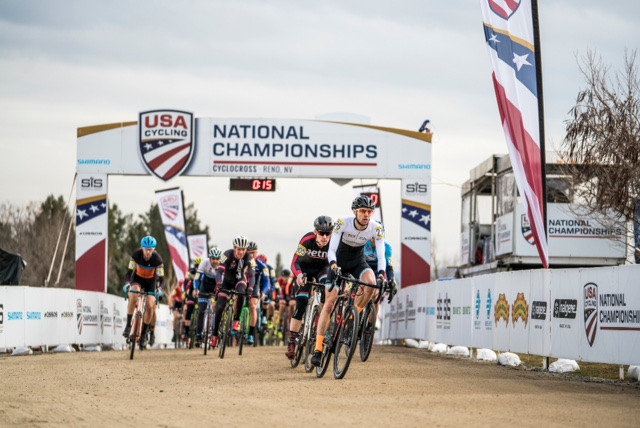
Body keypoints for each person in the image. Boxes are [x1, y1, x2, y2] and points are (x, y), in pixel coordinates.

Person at [311, 196, 386, 367]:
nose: (366, 215)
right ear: (355, 212)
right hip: (338, 262)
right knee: (330, 304)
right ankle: (318, 349)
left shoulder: (377, 228)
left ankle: (353, 316)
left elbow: (381, 256)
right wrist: (334, 265)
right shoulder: (342, 223)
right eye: (362, 211)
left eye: (369, 211)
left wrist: (381, 274)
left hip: (358, 261)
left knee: (371, 283)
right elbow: (331, 250)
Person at [285, 215, 333, 360]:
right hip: (304, 271)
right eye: (321, 233)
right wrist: (299, 275)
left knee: (327, 293)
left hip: (322, 271)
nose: (324, 237)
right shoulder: (306, 240)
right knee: (301, 303)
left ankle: (321, 330)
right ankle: (292, 341)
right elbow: (294, 262)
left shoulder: (333, 244)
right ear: (315, 232)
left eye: (328, 234)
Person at [208, 236, 255, 348]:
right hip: (227, 282)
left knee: (242, 293)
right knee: (219, 307)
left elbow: (252, 275)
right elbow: (219, 272)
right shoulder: (226, 255)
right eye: (239, 249)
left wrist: (251, 288)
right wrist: (219, 284)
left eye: (243, 250)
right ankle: (215, 335)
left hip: (240, 280)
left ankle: (237, 320)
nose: (241, 252)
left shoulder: (249, 258)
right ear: (234, 248)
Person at [122, 235, 165, 348]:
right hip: (138, 279)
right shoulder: (136, 255)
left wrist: (160, 289)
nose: (147, 252)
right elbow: (129, 272)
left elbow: (162, 279)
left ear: (154, 249)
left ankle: (144, 333)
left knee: (150, 306)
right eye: (146, 249)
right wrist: (127, 284)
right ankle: (127, 325)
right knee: (133, 294)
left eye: (150, 249)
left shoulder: (158, 259)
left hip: (151, 282)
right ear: (142, 248)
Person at [193, 247, 223, 347]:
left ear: (220, 259)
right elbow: (197, 278)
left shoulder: (223, 265)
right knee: (202, 309)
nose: (215, 261)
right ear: (210, 258)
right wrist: (196, 289)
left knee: (217, 309)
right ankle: (198, 336)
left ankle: (216, 333)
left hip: (216, 286)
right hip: (204, 286)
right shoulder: (204, 263)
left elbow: (224, 280)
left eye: (217, 259)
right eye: (213, 259)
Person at [246, 242, 270, 345]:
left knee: (253, 307)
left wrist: (264, 292)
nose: (251, 255)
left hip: (255, 285)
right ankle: (235, 320)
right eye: (249, 253)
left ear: (257, 252)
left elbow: (267, 281)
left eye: (253, 253)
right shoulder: (241, 261)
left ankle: (251, 334)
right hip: (243, 283)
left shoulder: (262, 264)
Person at [182, 257, 202, 344]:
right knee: (189, 308)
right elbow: (186, 284)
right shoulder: (191, 272)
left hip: (201, 291)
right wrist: (185, 293)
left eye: (200, 266)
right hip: (191, 292)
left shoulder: (204, 270)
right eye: (197, 266)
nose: (198, 267)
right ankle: (186, 332)